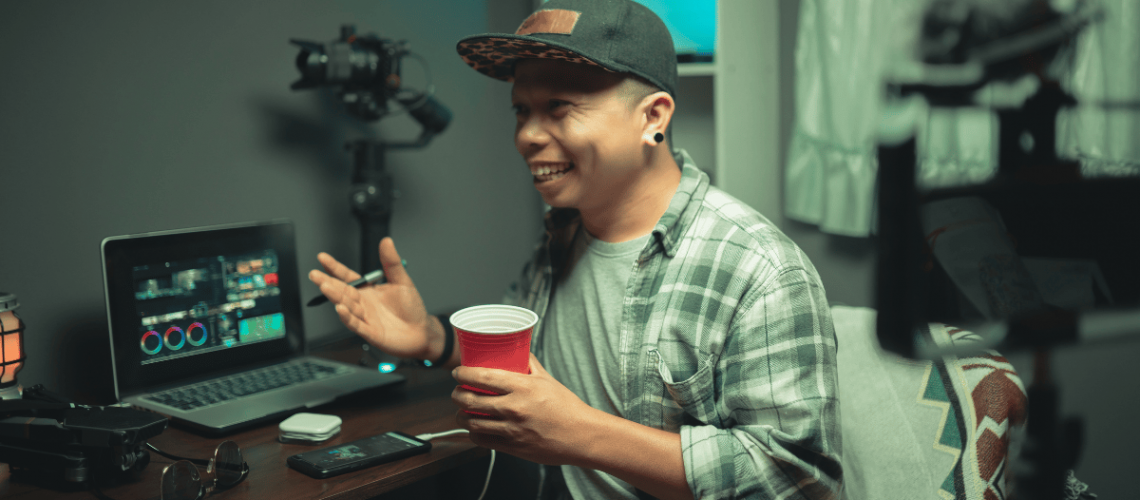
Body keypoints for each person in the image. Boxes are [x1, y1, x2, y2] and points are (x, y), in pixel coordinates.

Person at [309, 0, 842, 498]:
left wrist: (580, 434)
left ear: (652, 117)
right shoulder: (563, 234)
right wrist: (431, 337)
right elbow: (529, 362)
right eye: (521, 111)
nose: (527, 137)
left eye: (559, 107)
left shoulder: (760, 271)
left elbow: (799, 482)